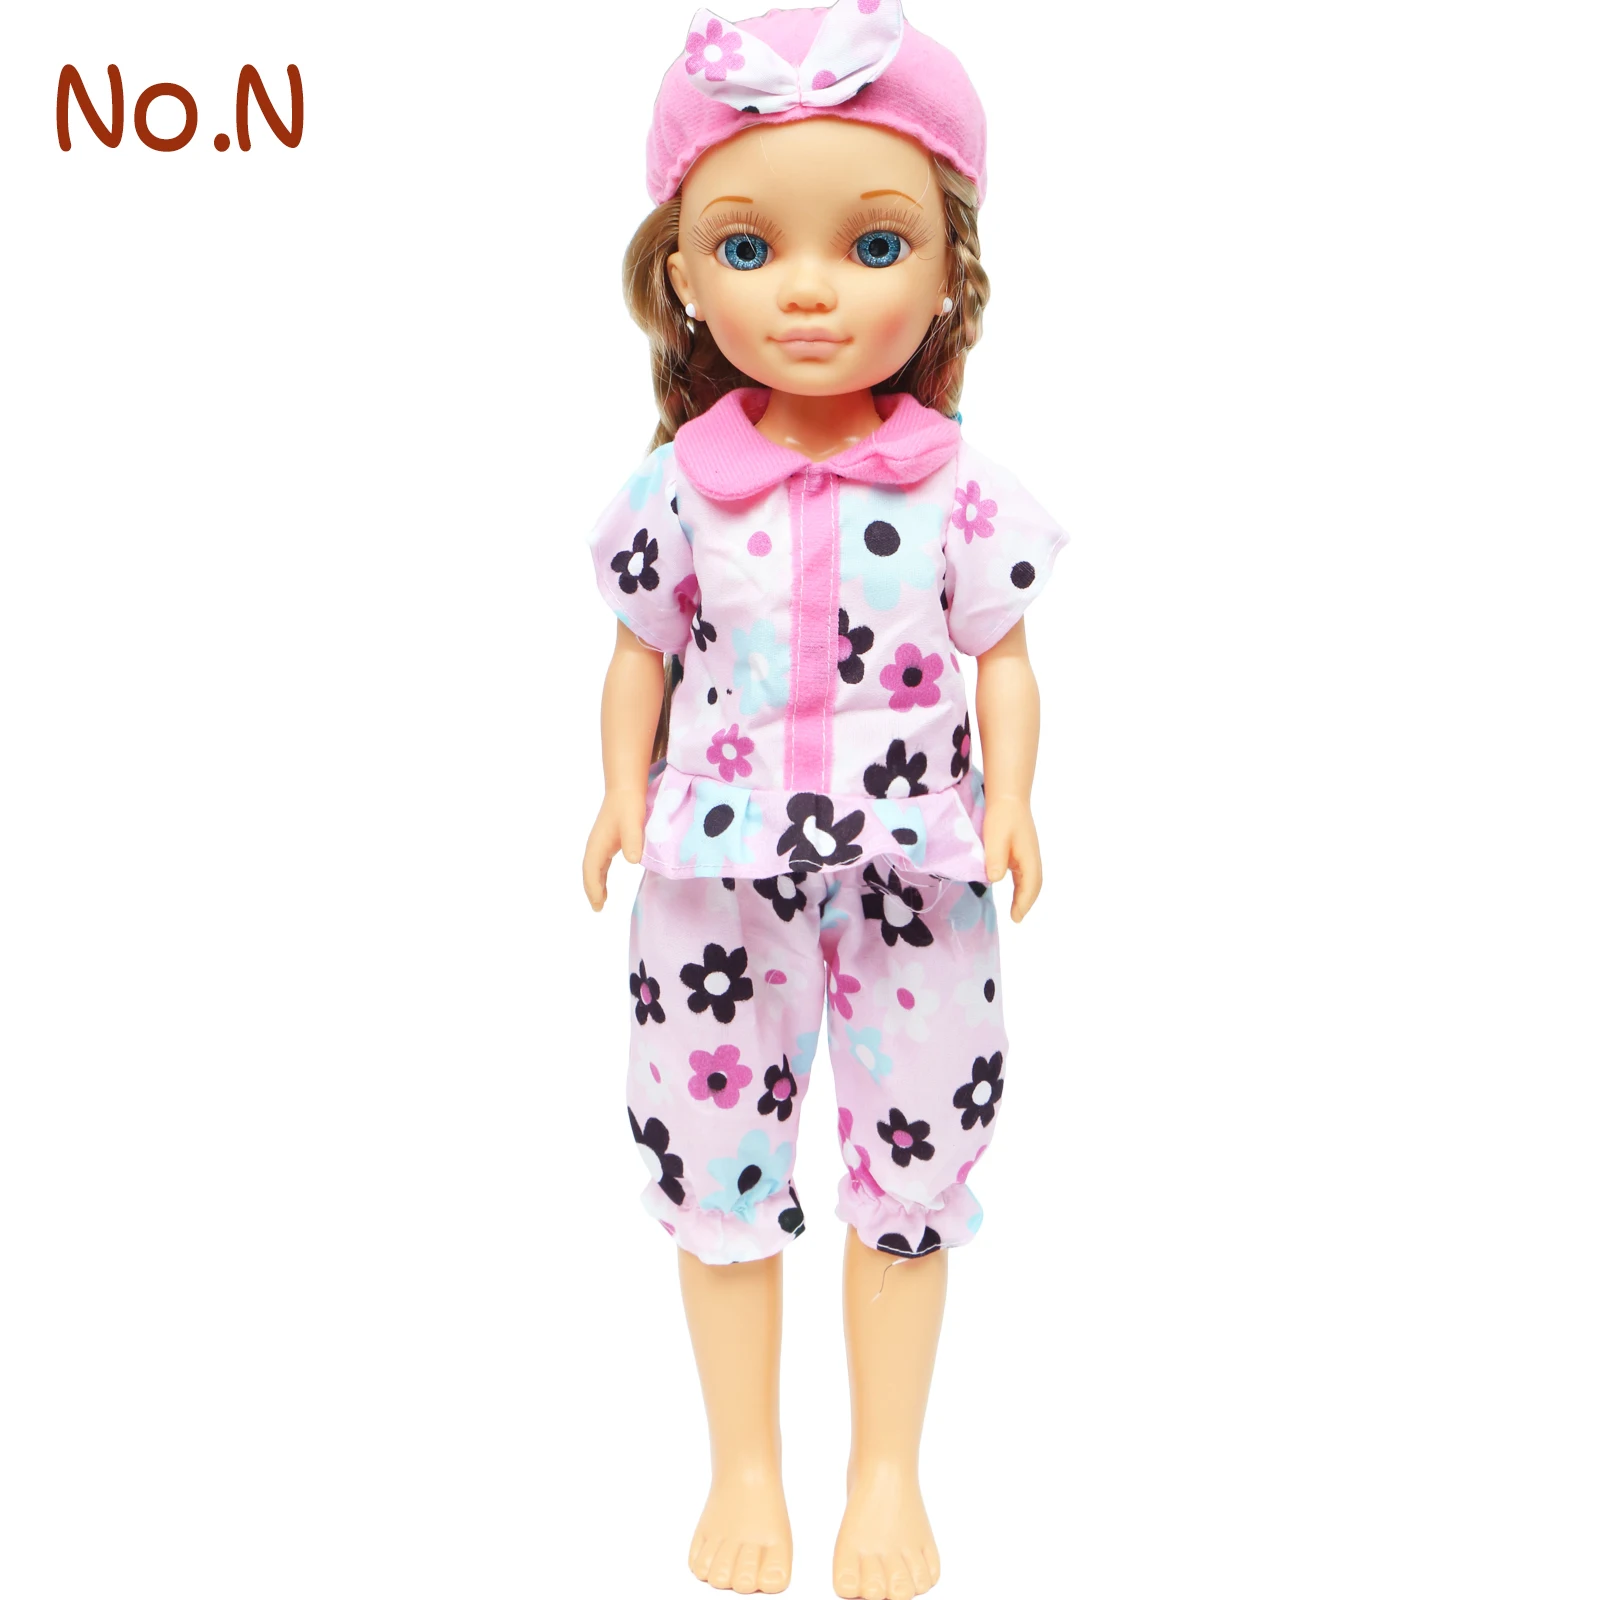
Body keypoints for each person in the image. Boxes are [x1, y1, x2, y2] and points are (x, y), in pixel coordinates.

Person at [580, 4, 1068, 1593]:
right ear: (680, 274)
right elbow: (641, 656)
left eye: (871, 244)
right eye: (748, 246)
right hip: (712, 877)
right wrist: (614, 794)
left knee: (915, 1157)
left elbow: (1003, 654)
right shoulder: (678, 490)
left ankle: (885, 1474)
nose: (807, 290)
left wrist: (1014, 799)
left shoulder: (958, 487)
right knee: (711, 1150)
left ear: (946, 273)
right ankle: (741, 1466)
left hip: (920, 868)